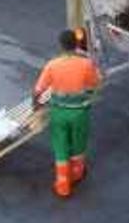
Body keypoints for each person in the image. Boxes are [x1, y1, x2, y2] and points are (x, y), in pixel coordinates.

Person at [34, 29, 102, 198]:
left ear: (61, 46)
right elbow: (95, 85)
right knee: (78, 143)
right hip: (79, 113)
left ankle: (63, 183)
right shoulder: (86, 65)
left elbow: (38, 91)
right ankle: (77, 173)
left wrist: (37, 107)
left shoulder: (52, 65)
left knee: (60, 144)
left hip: (59, 113)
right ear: (76, 45)